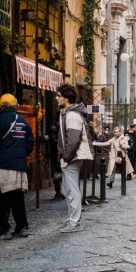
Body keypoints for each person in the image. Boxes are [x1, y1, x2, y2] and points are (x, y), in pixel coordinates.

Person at [0, 94, 35, 239]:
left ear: (1, 106)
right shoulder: (23, 122)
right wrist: (19, 155)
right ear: (16, 106)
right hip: (19, 166)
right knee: (17, 198)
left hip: (1, 166)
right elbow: (30, 143)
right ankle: (22, 227)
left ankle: (3, 229)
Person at [56, 84, 94, 232]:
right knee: (68, 189)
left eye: (59, 95)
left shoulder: (72, 115)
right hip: (71, 156)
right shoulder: (68, 113)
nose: (56, 98)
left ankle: (74, 222)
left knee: (72, 190)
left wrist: (66, 158)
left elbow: (72, 140)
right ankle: (71, 219)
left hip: (72, 157)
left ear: (66, 98)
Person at [49, 119, 65, 200]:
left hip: (58, 153)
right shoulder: (54, 128)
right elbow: (54, 141)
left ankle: (59, 190)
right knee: (58, 171)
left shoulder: (56, 128)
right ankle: (58, 190)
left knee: (59, 171)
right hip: (56, 154)